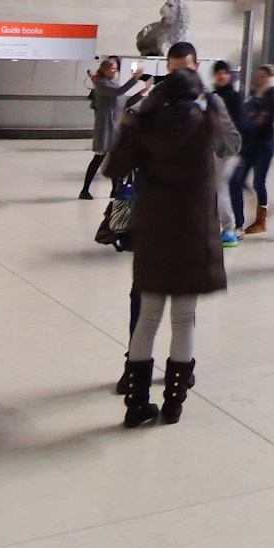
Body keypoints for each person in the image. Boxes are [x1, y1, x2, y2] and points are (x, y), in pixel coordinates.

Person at [102, 67, 228, 427]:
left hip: (155, 236)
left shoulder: (146, 126)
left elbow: (113, 168)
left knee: (147, 320)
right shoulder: (206, 124)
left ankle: (135, 406)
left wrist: (131, 124)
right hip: (193, 239)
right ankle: (173, 405)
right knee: (184, 320)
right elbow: (232, 144)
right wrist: (215, 103)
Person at [80, 57, 146, 199]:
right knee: (99, 157)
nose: (115, 71)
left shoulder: (113, 84)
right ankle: (85, 190)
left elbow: (123, 103)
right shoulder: (102, 85)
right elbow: (119, 92)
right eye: (112, 68)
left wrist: (140, 94)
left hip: (115, 125)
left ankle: (115, 189)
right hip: (106, 126)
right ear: (104, 70)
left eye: (116, 68)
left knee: (113, 156)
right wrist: (134, 79)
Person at [232, 65, 274, 235]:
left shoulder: (273, 93)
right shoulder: (259, 95)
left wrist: (256, 111)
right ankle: (242, 220)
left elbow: (263, 118)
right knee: (239, 180)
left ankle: (261, 220)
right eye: (257, 76)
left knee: (258, 181)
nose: (258, 80)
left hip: (265, 144)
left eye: (262, 76)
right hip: (252, 143)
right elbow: (250, 116)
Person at [207, 61, 246, 244]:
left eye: (224, 73)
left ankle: (231, 228)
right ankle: (229, 226)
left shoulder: (233, 97)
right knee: (220, 188)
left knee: (220, 188)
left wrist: (240, 153)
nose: (221, 76)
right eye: (218, 73)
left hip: (228, 150)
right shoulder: (212, 96)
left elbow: (239, 125)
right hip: (217, 149)